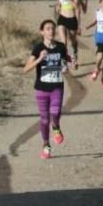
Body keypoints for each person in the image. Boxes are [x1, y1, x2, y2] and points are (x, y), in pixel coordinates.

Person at [23, 19, 71, 160]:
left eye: (52, 28)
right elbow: (26, 69)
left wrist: (69, 64)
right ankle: (46, 145)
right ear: (42, 32)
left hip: (57, 86)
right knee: (44, 120)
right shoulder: (38, 48)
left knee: (54, 114)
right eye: (48, 28)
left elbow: (65, 62)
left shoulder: (61, 47)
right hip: (41, 89)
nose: (51, 31)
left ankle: (56, 126)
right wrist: (39, 59)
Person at [54, 0, 81, 66]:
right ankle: (64, 62)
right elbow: (59, 4)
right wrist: (57, 7)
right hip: (62, 18)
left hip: (71, 19)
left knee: (73, 41)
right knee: (63, 42)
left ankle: (74, 54)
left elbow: (76, 6)